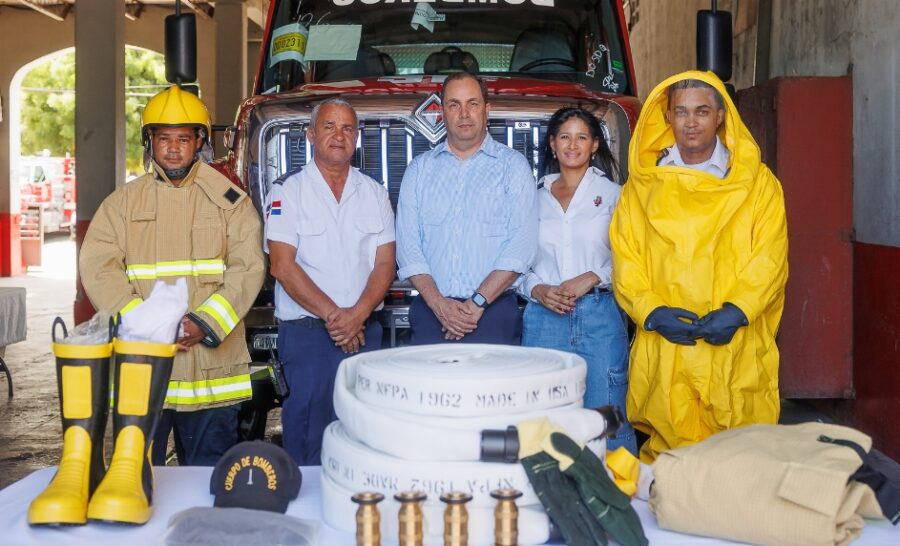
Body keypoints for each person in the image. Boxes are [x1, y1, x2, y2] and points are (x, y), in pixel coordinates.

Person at [80, 85, 266, 466]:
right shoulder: (121, 204)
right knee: (137, 478)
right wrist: (148, 323)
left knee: (205, 482)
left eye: (183, 138)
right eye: (163, 138)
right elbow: (98, 268)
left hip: (212, 372)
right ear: (150, 142)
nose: (174, 148)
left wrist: (204, 322)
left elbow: (248, 269)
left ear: (200, 141)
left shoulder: (231, 201)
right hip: (146, 365)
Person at [610, 71, 788, 462]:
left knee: (741, 459)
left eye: (702, 111)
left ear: (721, 116)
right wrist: (652, 313)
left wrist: (738, 311)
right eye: (682, 112)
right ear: (668, 117)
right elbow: (627, 258)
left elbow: (770, 257)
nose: (691, 122)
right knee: (669, 467)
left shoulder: (758, 185)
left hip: (733, 343)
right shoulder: (642, 188)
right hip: (669, 345)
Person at [266, 98, 396, 465]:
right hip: (309, 336)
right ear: (310, 134)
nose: (339, 136)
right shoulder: (287, 191)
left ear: (356, 138)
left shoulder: (374, 191)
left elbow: (385, 263)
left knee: (361, 433)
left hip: (364, 332)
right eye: (329, 126)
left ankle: (357, 515)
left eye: (347, 128)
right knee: (307, 436)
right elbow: (282, 266)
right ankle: (304, 520)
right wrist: (338, 318)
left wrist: (357, 315)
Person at [519, 107, 636, 455]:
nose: (573, 145)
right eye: (565, 137)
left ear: (595, 145)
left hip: (600, 316)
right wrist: (537, 289)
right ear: (553, 144)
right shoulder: (531, 197)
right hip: (543, 320)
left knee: (608, 418)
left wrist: (594, 275)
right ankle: (548, 501)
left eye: (582, 137)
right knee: (544, 420)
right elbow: (513, 261)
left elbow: (635, 260)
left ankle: (617, 500)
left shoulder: (617, 196)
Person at [396, 72, 537, 344]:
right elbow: (408, 247)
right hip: (430, 314)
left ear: (487, 110)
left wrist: (476, 304)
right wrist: (439, 305)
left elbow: (522, 246)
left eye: (472, 103)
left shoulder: (513, 167)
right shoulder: (419, 170)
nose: (464, 113)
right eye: (454, 104)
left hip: (494, 313)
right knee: (428, 388)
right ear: (443, 113)